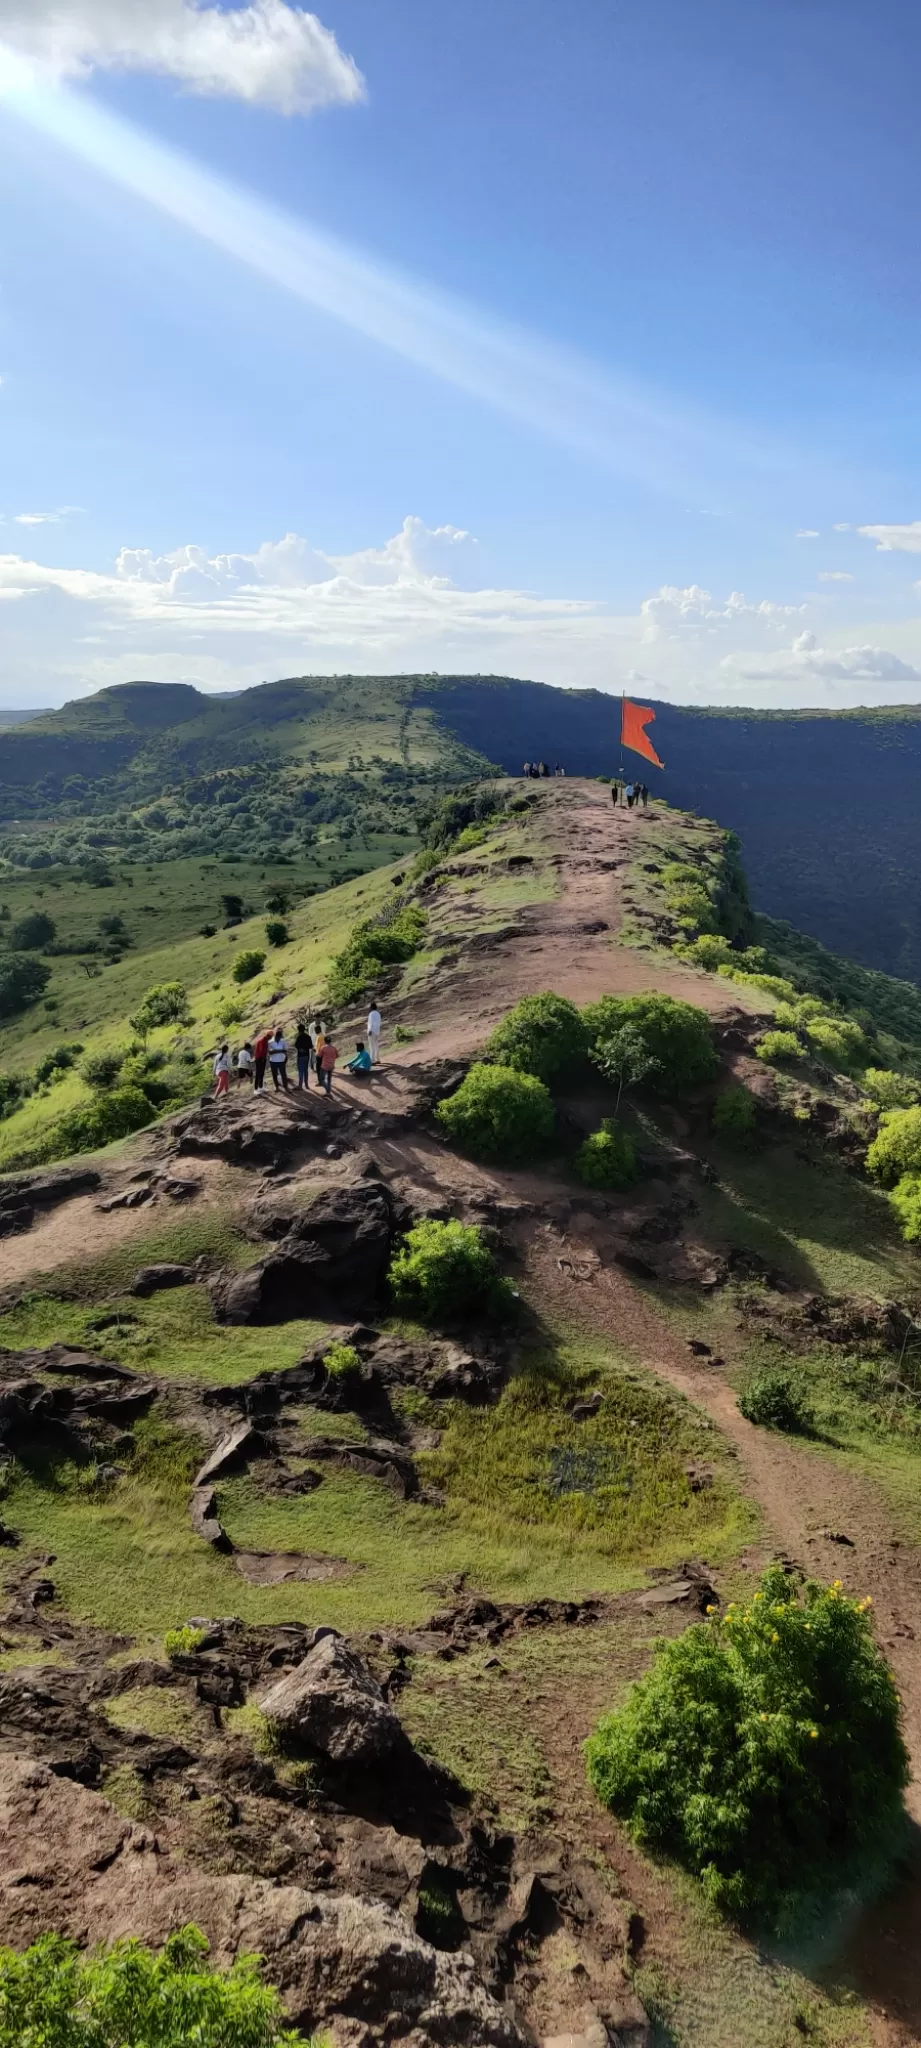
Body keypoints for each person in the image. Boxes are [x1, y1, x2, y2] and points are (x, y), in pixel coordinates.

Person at [268, 1024, 290, 1091]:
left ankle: (286, 1087)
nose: (278, 1039)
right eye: (276, 1038)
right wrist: (280, 1050)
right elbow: (270, 1052)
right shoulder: (270, 1042)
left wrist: (286, 1056)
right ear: (275, 1036)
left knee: (283, 1074)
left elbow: (285, 1050)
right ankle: (276, 1086)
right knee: (274, 1074)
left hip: (281, 1060)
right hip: (273, 1061)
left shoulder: (283, 1041)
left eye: (279, 1038)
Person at [294, 1020, 312, 1090]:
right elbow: (310, 1046)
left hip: (301, 1056)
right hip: (307, 1055)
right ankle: (306, 1085)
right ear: (304, 1029)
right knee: (305, 1070)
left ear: (298, 1030)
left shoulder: (299, 1037)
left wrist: (301, 1049)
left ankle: (300, 1086)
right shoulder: (308, 1037)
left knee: (301, 1071)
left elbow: (296, 1045)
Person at [252, 1026, 270, 1093]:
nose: (270, 1038)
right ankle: (256, 1089)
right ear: (268, 1036)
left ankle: (261, 1087)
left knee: (262, 1073)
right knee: (258, 1073)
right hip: (259, 1058)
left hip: (263, 1058)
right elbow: (261, 1050)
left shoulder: (266, 1041)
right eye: (270, 1037)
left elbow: (265, 1050)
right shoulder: (262, 1040)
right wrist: (262, 1058)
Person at [367, 998, 382, 1065]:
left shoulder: (371, 1014)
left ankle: (372, 1060)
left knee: (372, 1046)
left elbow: (371, 1023)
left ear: (371, 1007)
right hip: (377, 1031)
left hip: (372, 1031)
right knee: (376, 1045)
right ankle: (378, 1059)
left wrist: (369, 1030)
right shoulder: (378, 1014)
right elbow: (378, 1023)